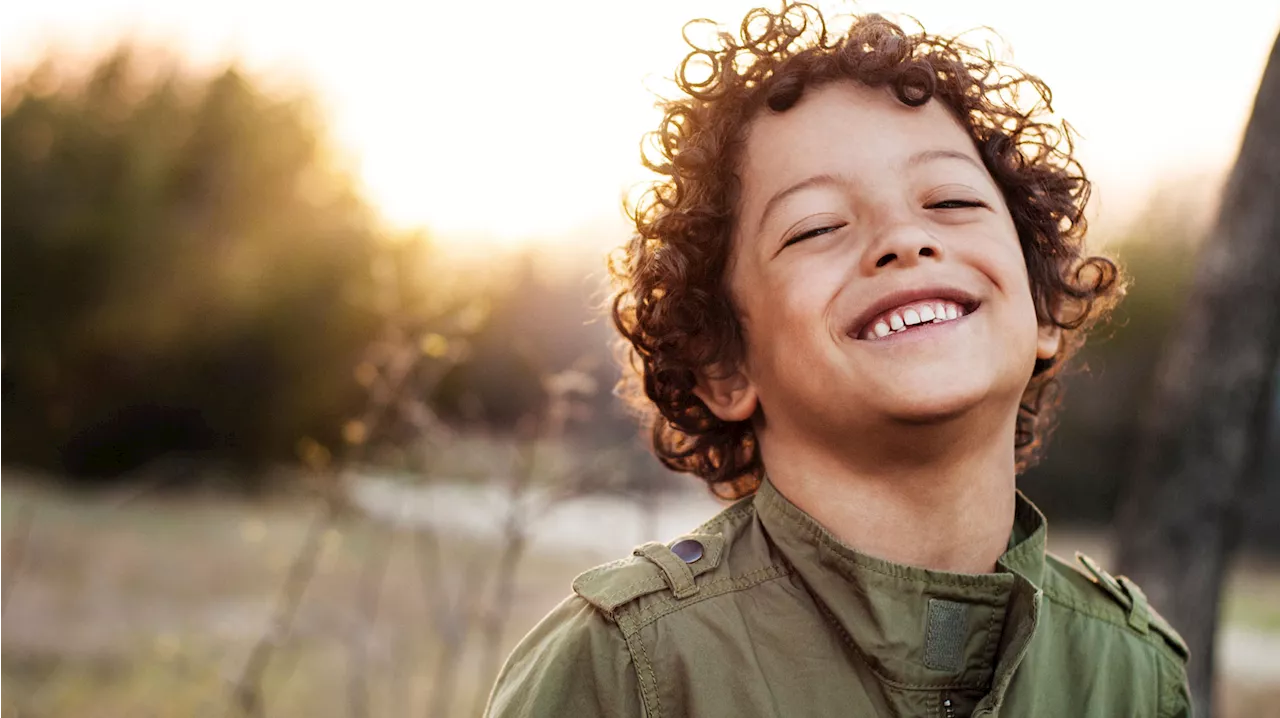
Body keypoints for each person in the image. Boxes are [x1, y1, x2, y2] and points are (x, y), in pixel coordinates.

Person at [486, 4, 1192, 716]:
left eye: (950, 199)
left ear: (1041, 307)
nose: (904, 238)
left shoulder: (1134, 675)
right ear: (726, 366)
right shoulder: (625, 671)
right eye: (817, 227)